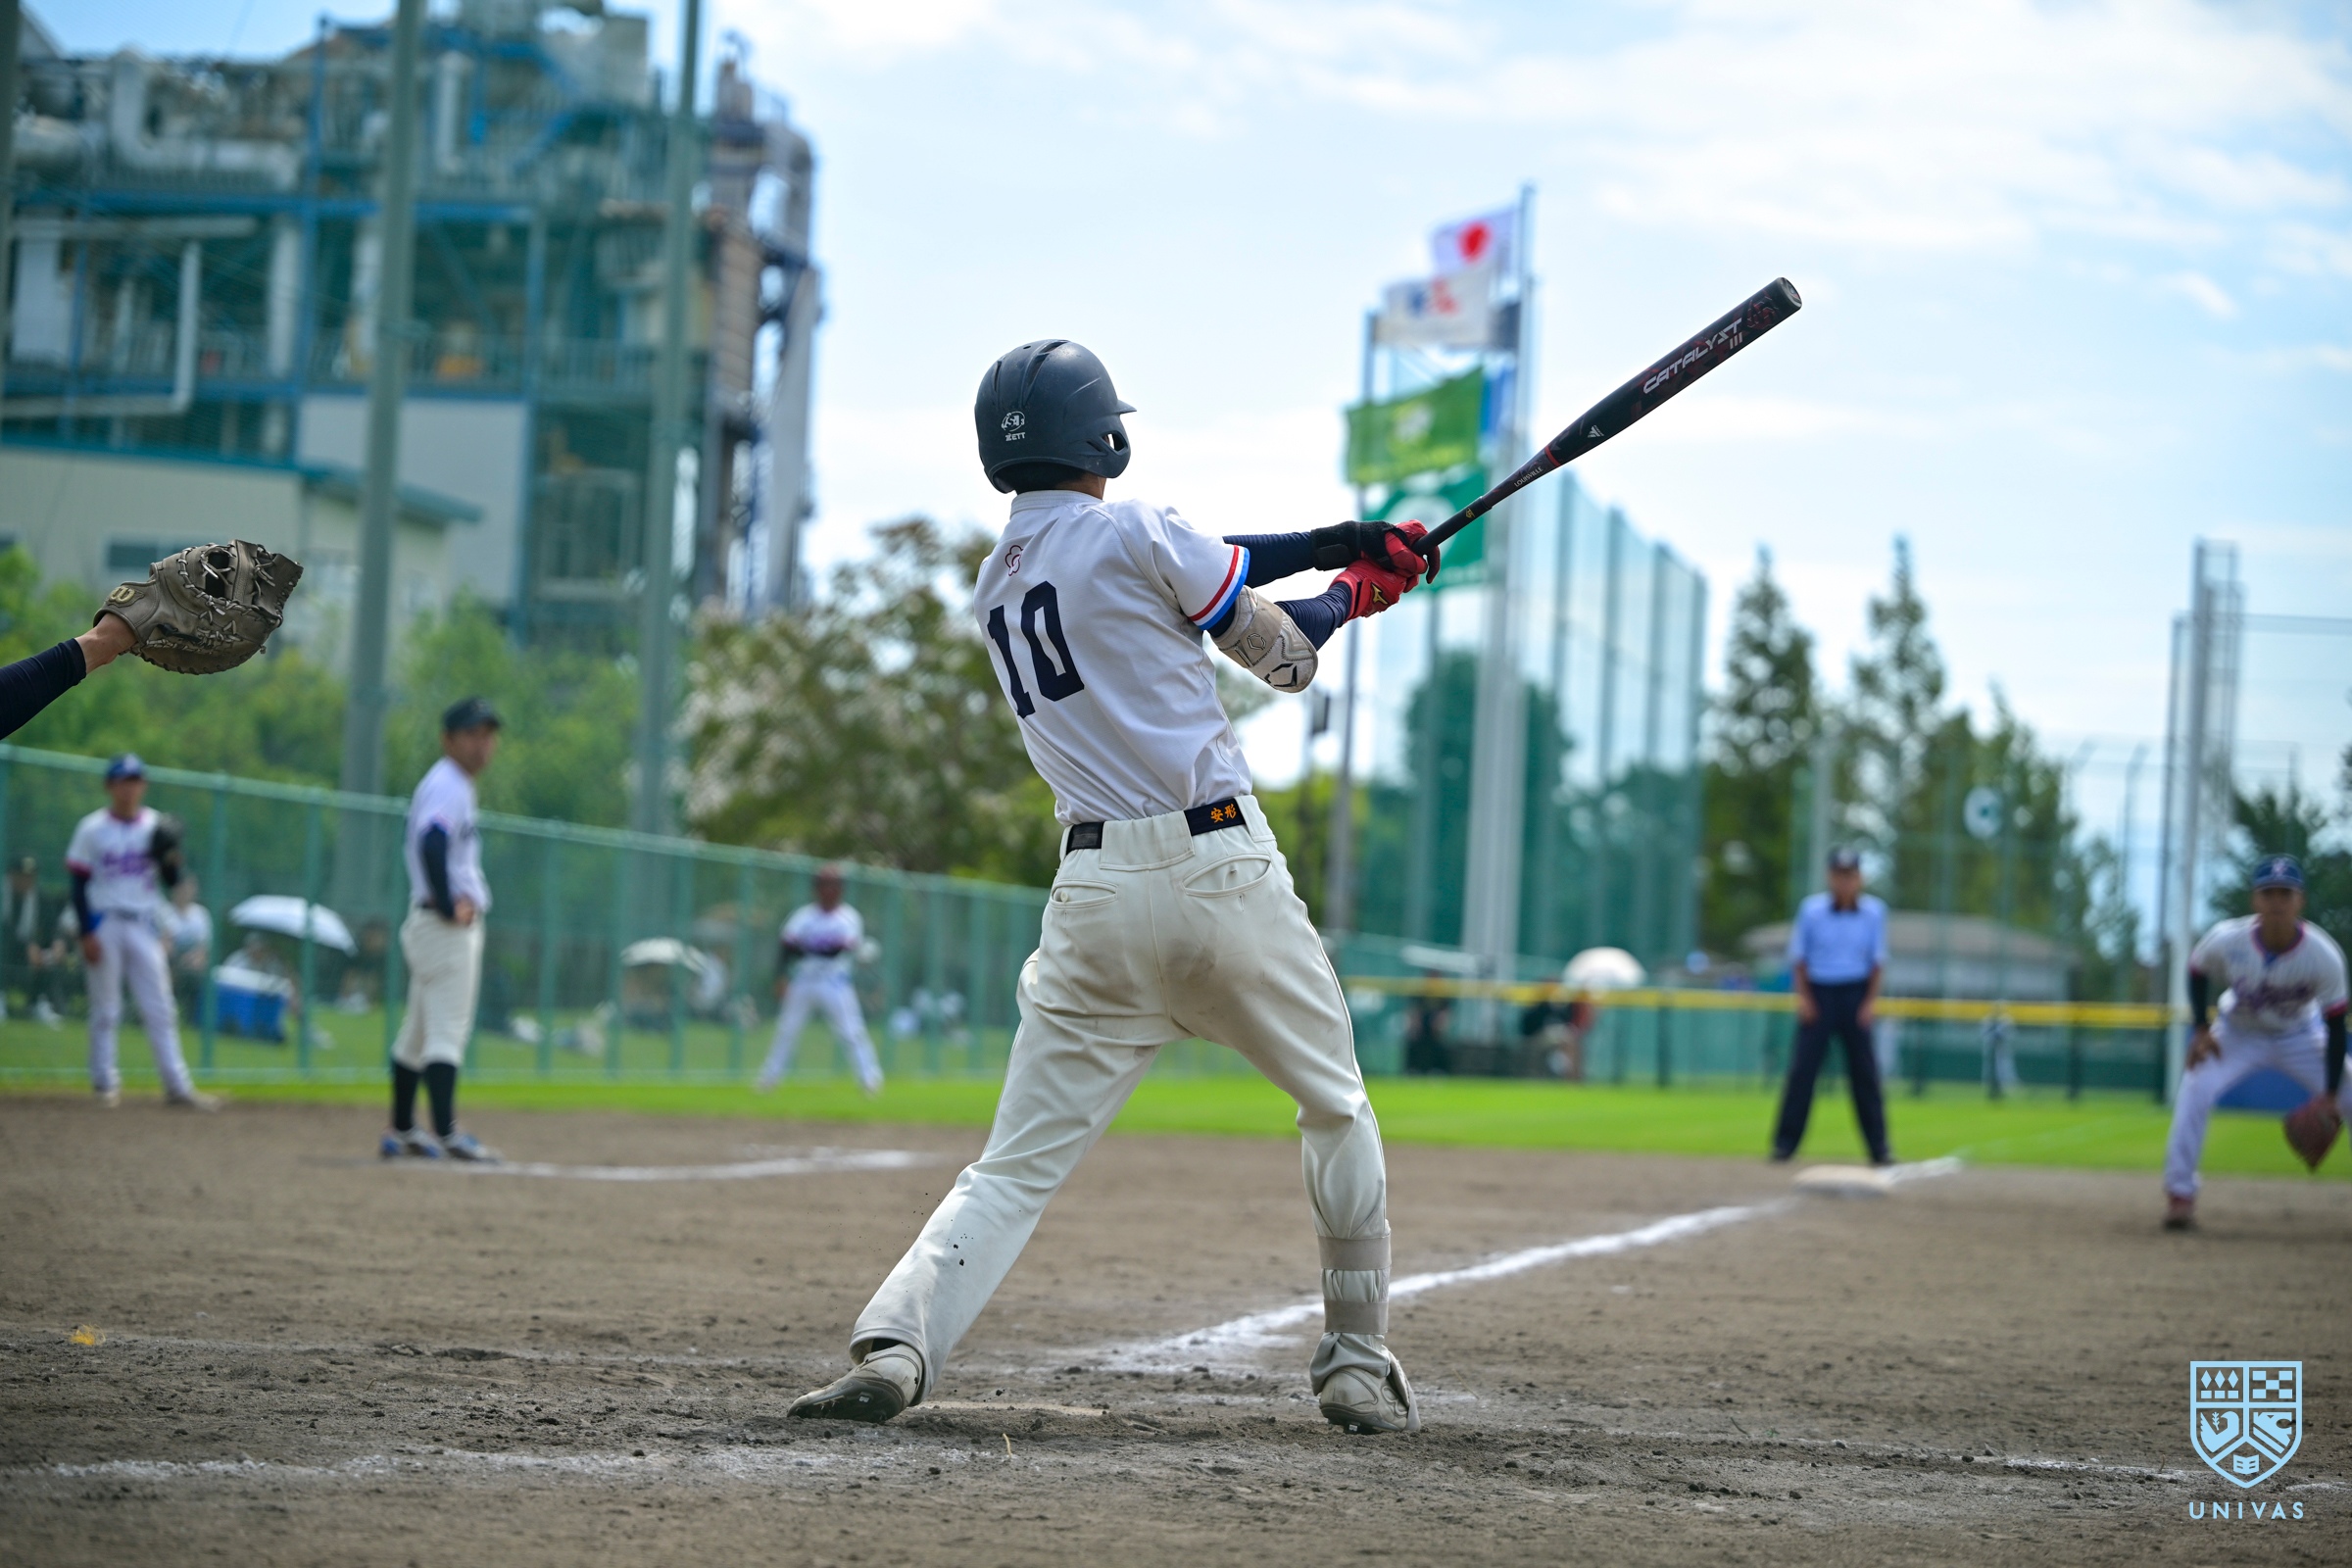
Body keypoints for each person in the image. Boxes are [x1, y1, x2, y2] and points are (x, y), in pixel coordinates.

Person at [787, 339, 1435, 1435]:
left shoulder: (998, 582)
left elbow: (1193, 563)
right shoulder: (1139, 529)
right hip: (1221, 873)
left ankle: (895, 1345)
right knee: (1335, 1107)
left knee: (1012, 1166)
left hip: (1091, 900)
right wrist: (1349, 596)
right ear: (1105, 437)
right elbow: (1281, 657)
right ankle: (1357, 1362)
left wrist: (1338, 541)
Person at [2161, 857, 2348, 1231]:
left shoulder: (2323, 955)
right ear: (2255, 900)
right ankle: (2180, 1195)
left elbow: (2336, 1026)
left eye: (2285, 894)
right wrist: (2201, 1029)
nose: (2277, 902)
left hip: (2300, 1034)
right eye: (2268, 893)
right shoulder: (2227, 939)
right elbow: (2197, 969)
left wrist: (2330, 1095)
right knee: (2196, 1087)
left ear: (2300, 901)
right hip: (2237, 1032)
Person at [381, 698, 503, 1162]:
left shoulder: (447, 783)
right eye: (472, 734)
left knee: (416, 1032)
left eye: (487, 735)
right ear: (448, 740)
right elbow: (432, 843)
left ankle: (402, 1128)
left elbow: (432, 843)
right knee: (446, 1031)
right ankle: (447, 1132)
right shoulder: (450, 784)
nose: (482, 744)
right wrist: (450, 905)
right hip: (444, 928)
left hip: (429, 925)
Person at [66, 754, 219, 1109]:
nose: (130, 788)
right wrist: (86, 932)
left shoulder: (154, 825)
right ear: (110, 785)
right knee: (106, 1008)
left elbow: (172, 881)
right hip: (104, 921)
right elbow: (77, 883)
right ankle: (105, 1083)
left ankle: (177, 1087)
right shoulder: (91, 828)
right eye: (124, 780)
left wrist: (171, 857)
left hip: (143, 923)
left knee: (161, 1007)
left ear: (143, 786)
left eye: (136, 781)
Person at [1770, 848, 1892, 1165]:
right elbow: (1799, 959)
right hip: (1819, 993)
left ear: (1860, 878)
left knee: (1865, 1075)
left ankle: (1879, 1147)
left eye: (1850, 875)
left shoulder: (1874, 912)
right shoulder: (1811, 910)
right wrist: (1805, 999)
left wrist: (1868, 1003)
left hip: (1855, 993)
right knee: (1802, 1073)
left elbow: (1877, 962)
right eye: (1839, 875)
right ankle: (1785, 1144)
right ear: (1830, 877)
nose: (1845, 882)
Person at [756, 865, 883, 1096]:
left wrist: (806, 947)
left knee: (851, 1031)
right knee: (787, 1029)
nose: (828, 889)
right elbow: (786, 948)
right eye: (823, 885)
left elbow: (836, 951)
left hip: (834, 982)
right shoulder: (803, 916)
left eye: (833, 885)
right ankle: (769, 1078)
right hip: (804, 979)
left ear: (841, 889)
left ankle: (870, 1078)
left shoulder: (849, 917)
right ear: (816, 888)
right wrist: (780, 977)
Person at [161, 872, 215, 1020]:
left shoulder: (201, 914)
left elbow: (204, 948)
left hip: (192, 959)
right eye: (181, 887)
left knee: (197, 969)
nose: (184, 891)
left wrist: (194, 958)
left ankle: (191, 1016)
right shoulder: (164, 912)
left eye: (188, 888)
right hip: (170, 958)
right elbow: (164, 941)